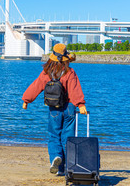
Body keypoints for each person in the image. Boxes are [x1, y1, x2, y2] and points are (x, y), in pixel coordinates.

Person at [22, 43, 87, 176]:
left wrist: (26, 100)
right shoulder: (70, 72)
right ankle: (67, 167)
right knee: (68, 137)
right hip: (69, 108)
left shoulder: (47, 72)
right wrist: (80, 104)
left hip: (54, 109)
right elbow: (74, 90)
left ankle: (56, 160)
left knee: (54, 136)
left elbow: (36, 86)